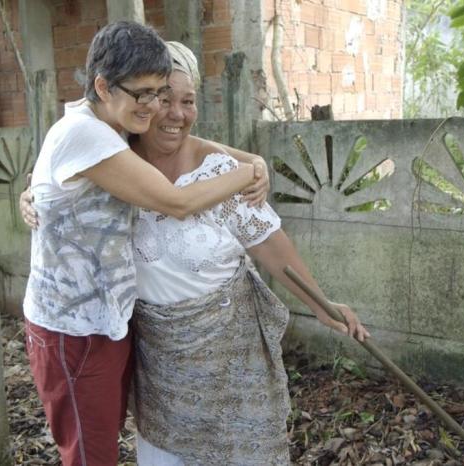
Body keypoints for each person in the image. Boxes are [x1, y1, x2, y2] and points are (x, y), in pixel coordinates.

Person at [22, 40, 370, 465]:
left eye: (187, 101)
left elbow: (269, 243)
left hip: (231, 362)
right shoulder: (113, 163)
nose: (174, 113)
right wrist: (32, 195)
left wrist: (321, 304)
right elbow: (64, 184)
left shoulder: (218, 169)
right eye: (158, 98)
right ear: (139, 107)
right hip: (155, 363)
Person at [22, 22, 265, 466]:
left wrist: (251, 158)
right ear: (101, 84)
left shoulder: (109, 122)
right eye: (145, 94)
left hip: (107, 321)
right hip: (72, 330)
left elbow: (187, 141)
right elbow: (177, 202)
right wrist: (248, 173)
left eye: (159, 92)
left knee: (103, 445)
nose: (154, 106)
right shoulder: (86, 133)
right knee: (90, 457)